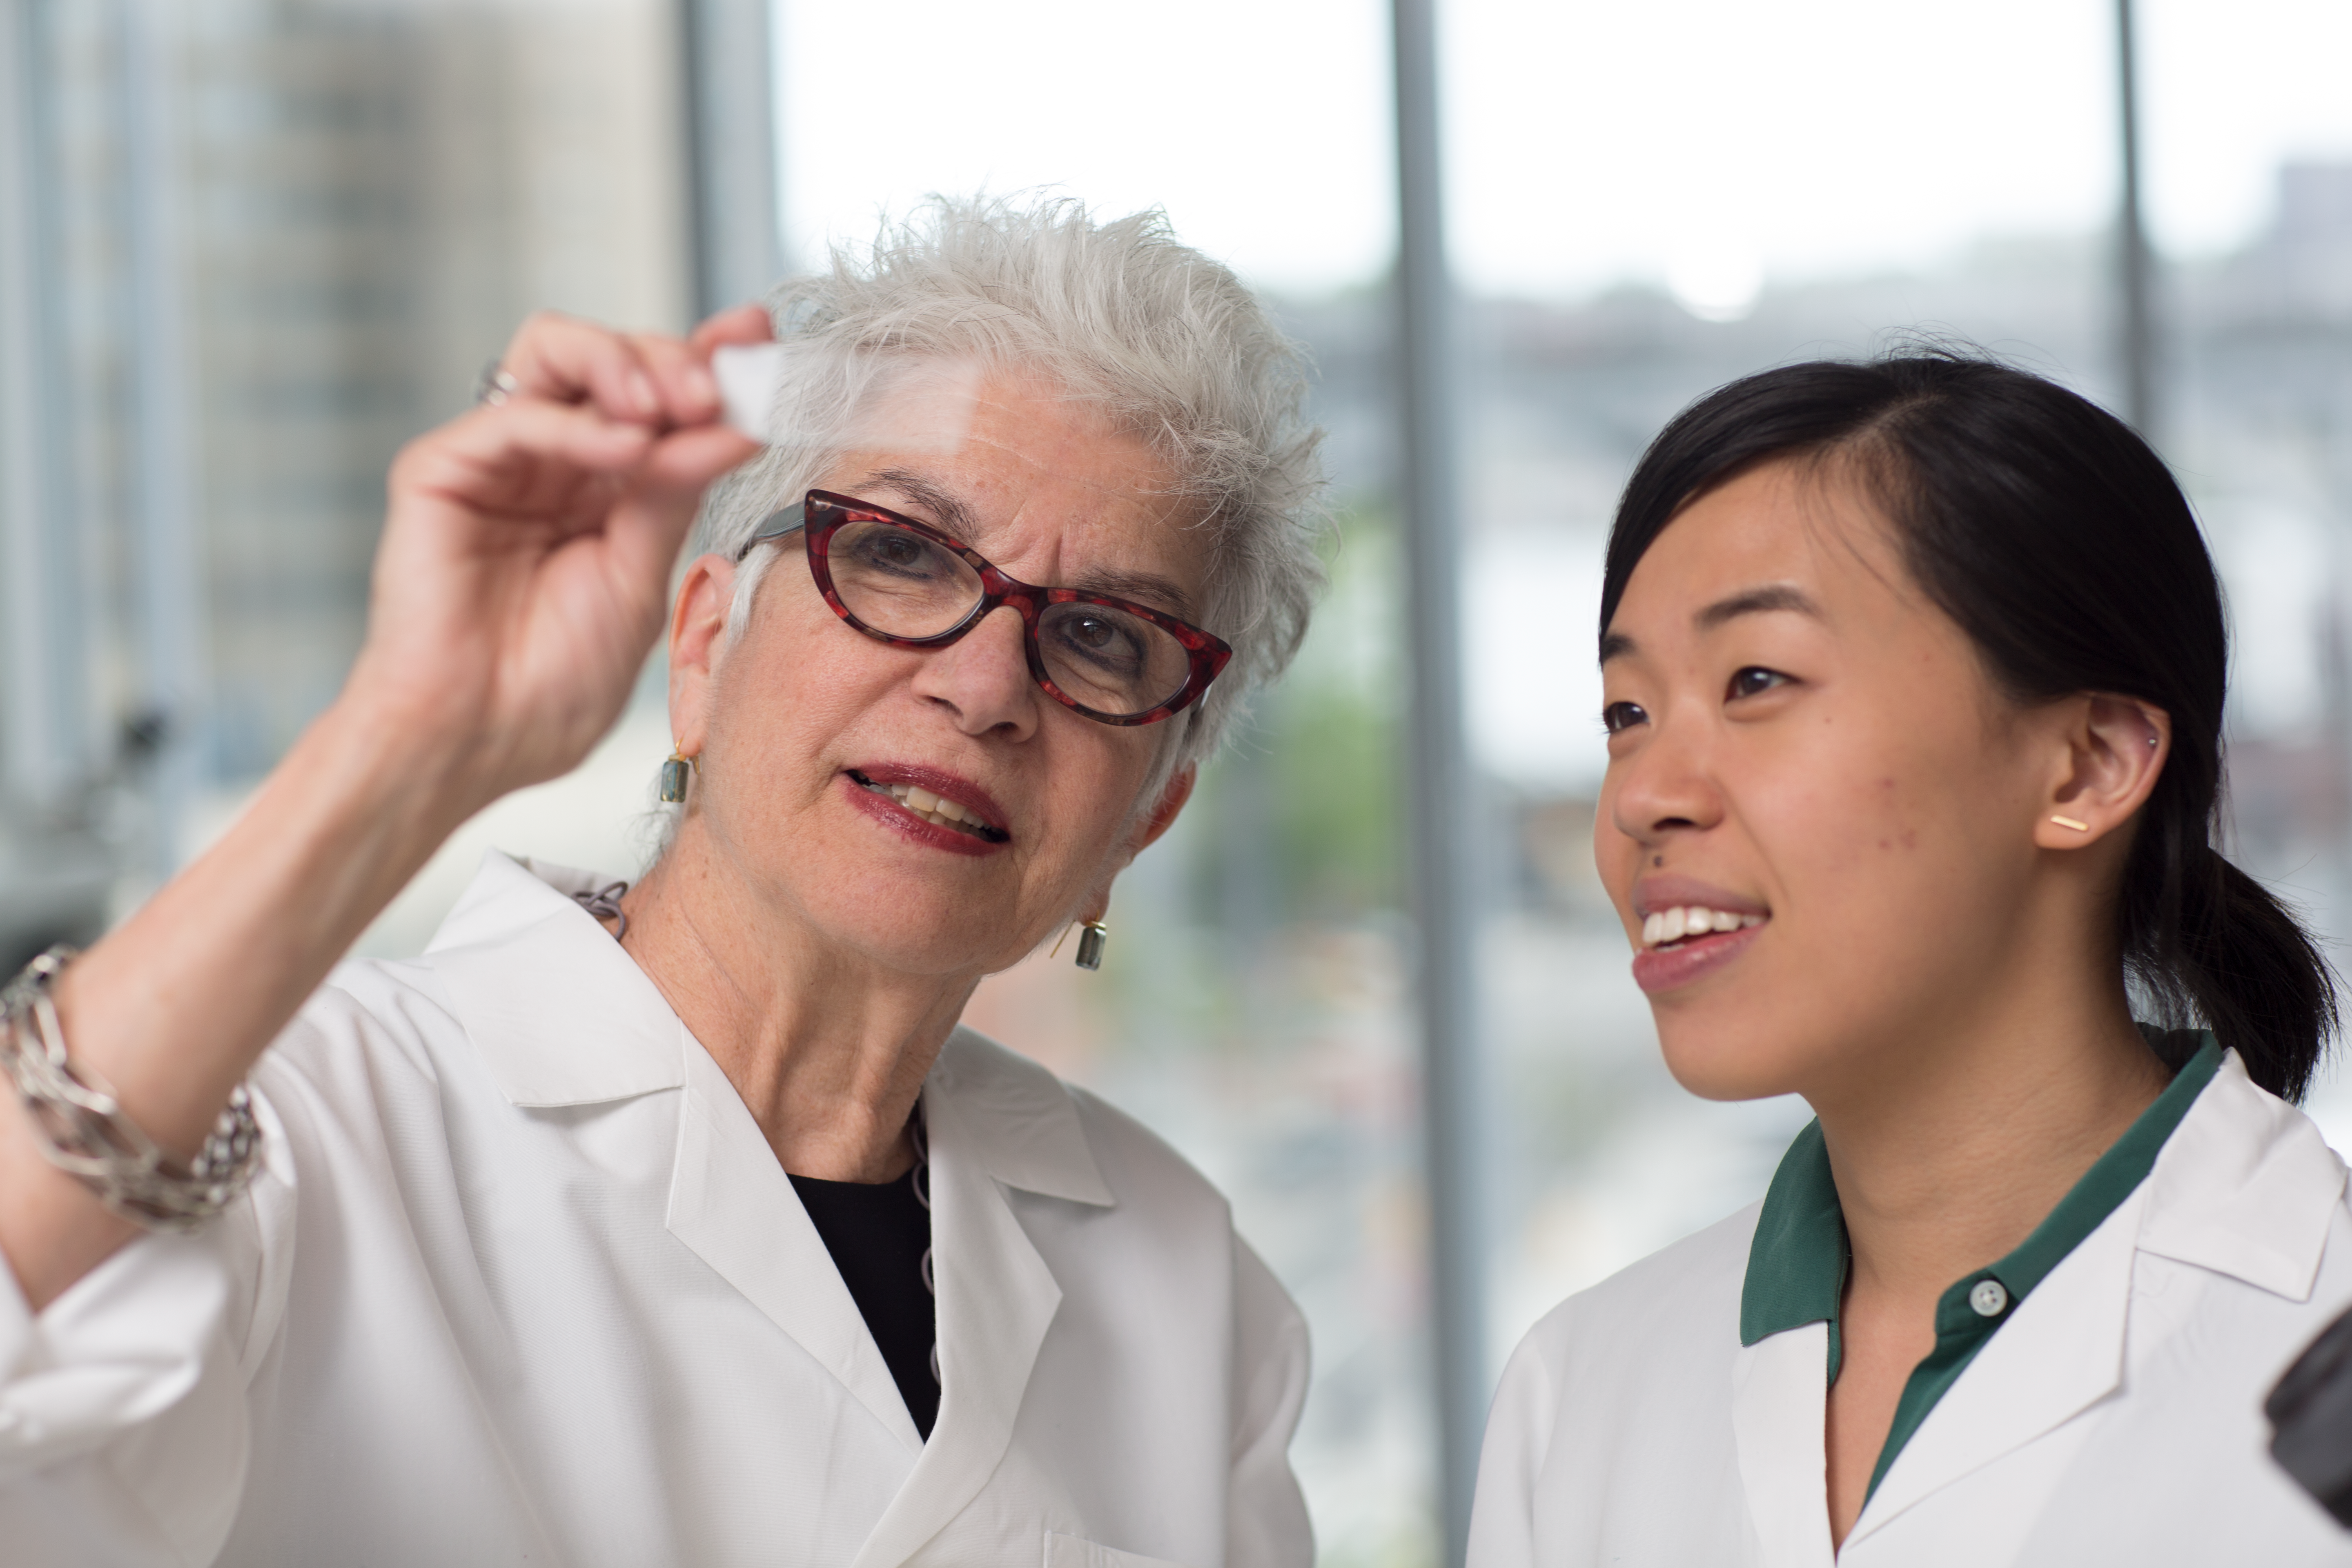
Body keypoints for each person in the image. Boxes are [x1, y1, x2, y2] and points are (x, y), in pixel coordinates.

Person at [0, 197, 1326, 1567]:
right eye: (902, 552)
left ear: (1152, 814)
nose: (984, 684)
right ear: (702, 649)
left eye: (1105, 636)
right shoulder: (294, 1112)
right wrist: (409, 743)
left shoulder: (1190, 1286)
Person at [1468, 353, 2352, 1565]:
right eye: (1628, 714)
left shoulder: (2321, 1338)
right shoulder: (1581, 1392)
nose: (1643, 798)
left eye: (1757, 680)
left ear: (2088, 765)